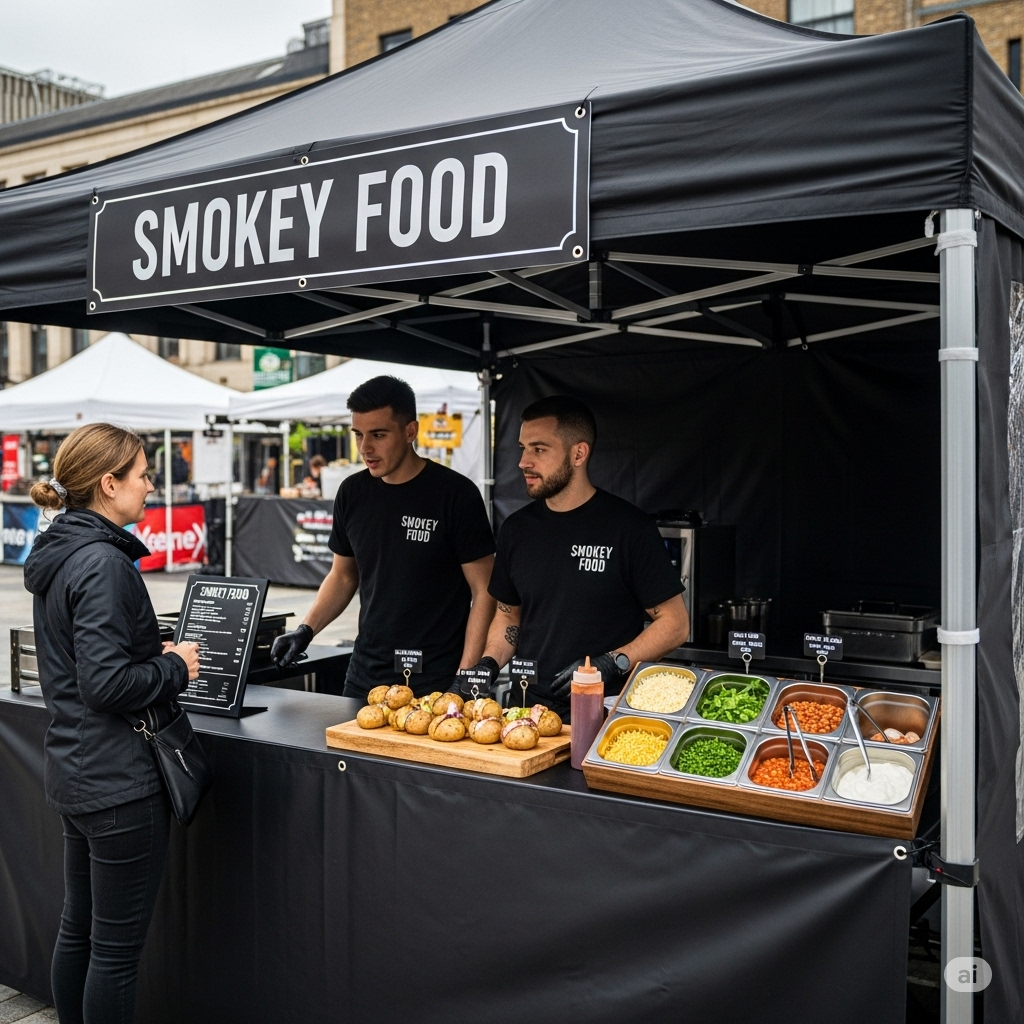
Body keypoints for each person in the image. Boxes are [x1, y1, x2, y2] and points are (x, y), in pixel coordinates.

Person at [23, 423, 201, 1024]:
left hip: (78, 771)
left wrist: (148, 650)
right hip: (119, 781)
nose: (151, 486)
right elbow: (104, 685)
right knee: (115, 953)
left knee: (80, 929)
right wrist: (174, 666)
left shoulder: (64, 554)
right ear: (108, 483)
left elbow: (88, 661)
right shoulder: (103, 562)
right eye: (144, 475)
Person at [271, 375, 496, 697]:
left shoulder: (455, 494)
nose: (365, 448)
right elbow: (343, 575)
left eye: (378, 434)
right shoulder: (352, 492)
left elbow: (484, 590)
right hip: (365, 674)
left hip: (436, 679)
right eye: (358, 434)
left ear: (410, 431)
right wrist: (306, 629)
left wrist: (466, 675)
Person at [469, 395, 689, 718]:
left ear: (578, 454)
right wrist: (488, 662)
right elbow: (508, 617)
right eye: (523, 448)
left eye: (538, 449)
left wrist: (611, 663)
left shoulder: (629, 528)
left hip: (602, 714)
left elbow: (675, 624)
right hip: (525, 713)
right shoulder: (516, 529)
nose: (523, 462)